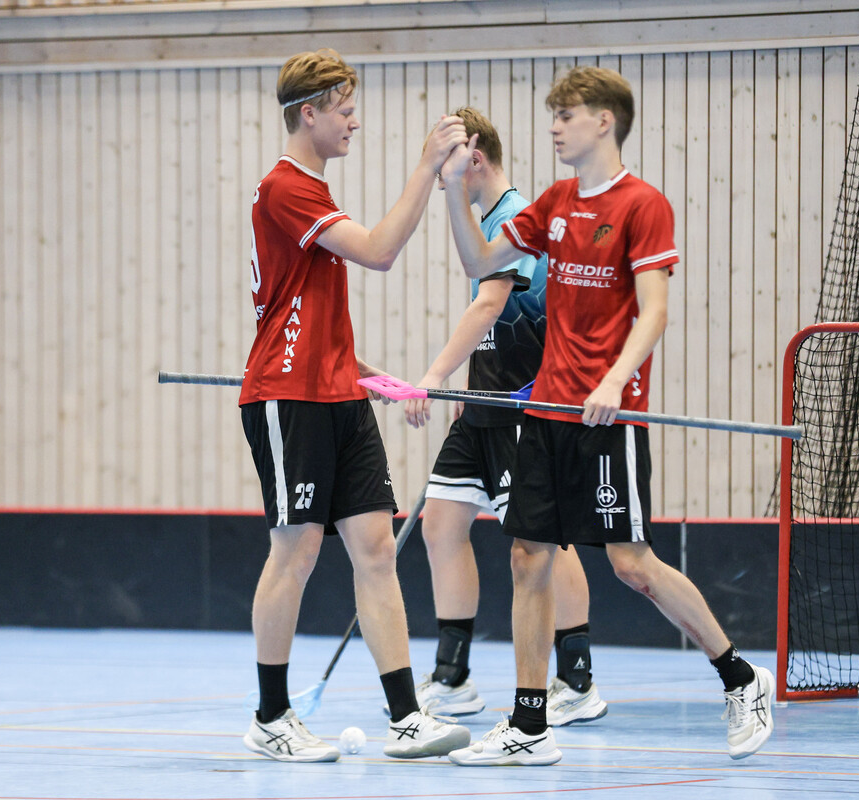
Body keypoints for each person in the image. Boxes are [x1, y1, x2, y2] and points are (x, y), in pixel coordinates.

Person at [438, 67, 775, 767]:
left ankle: (741, 678)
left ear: (605, 121)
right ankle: (529, 725)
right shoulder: (555, 203)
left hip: (607, 420)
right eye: (554, 115)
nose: (555, 126)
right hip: (548, 413)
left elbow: (655, 310)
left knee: (631, 564)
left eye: (568, 115)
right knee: (528, 555)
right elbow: (480, 257)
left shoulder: (643, 205)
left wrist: (617, 380)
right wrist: (450, 191)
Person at [237, 48, 471, 763]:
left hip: (338, 393)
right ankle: (271, 717)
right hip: (288, 396)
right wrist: (426, 168)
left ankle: (407, 718)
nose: (354, 122)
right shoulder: (285, 188)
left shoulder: (313, 190)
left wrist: (363, 368)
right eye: (344, 111)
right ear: (308, 114)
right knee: (297, 549)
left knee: (375, 548)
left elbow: (309, 306)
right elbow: (377, 251)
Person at [399, 106, 607, 728]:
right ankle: (453, 676)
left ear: (475, 160)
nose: (442, 182)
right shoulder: (482, 220)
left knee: (541, 542)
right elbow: (494, 326)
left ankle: (577, 680)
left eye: (447, 170)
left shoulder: (517, 217)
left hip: (527, 405)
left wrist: (432, 376)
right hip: (483, 405)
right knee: (441, 523)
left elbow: (491, 302)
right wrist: (468, 386)